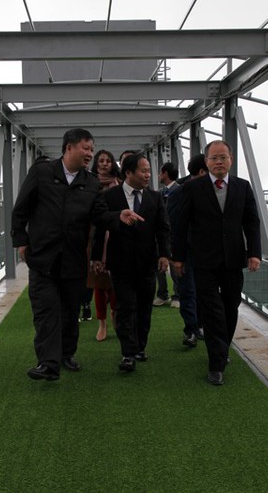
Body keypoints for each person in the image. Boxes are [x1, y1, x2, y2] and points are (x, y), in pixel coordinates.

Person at [11, 128, 143, 381]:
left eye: (92, 149)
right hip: (43, 257)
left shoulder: (91, 183)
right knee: (46, 310)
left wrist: (118, 216)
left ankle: (66, 354)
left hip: (73, 258)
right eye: (86, 148)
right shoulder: (41, 173)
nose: (90, 154)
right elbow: (20, 210)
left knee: (70, 310)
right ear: (69, 147)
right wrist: (21, 241)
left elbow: (100, 215)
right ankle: (48, 363)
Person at [172, 140, 261, 386]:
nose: (219, 162)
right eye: (214, 158)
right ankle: (216, 363)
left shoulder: (242, 187)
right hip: (204, 260)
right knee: (212, 311)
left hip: (233, 258)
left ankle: (222, 348)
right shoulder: (193, 188)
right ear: (206, 162)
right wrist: (178, 257)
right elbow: (180, 224)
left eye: (223, 157)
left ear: (231, 159)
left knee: (231, 306)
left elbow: (251, 222)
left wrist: (254, 253)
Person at [92, 153, 170, 372]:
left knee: (144, 308)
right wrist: (97, 256)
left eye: (149, 171)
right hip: (120, 262)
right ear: (128, 172)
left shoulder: (154, 197)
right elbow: (100, 227)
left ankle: (139, 347)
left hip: (147, 263)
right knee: (125, 307)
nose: (148, 175)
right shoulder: (110, 196)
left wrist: (164, 254)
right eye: (143, 171)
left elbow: (163, 228)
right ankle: (128, 352)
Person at [166, 154, 207, 347]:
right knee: (188, 290)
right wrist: (174, 255)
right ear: (201, 172)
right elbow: (172, 225)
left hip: (206, 252)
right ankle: (191, 329)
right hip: (186, 252)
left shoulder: (211, 190)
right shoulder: (179, 192)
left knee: (203, 291)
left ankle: (198, 326)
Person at [88, 149, 122, 341]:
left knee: (116, 281)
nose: (103, 164)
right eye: (100, 161)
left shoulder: (120, 183)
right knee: (99, 283)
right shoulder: (90, 183)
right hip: (95, 237)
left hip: (117, 235)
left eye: (107, 161)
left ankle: (115, 314)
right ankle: (102, 323)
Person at [153, 162, 180, 308]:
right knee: (160, 264)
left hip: (174, 235)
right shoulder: (160, 193)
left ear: (165, 173)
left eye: (160, 173)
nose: (158, 176)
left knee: (174, 265)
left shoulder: (180, 191)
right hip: (161, 235)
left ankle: (177, 295)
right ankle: (162, 294)